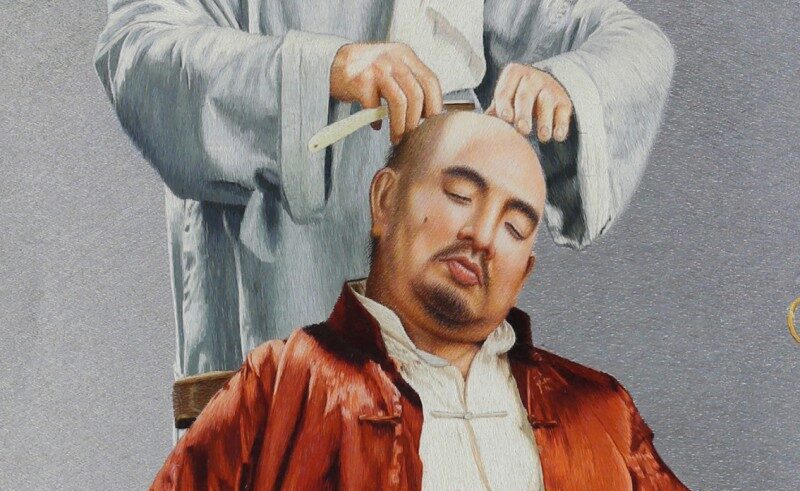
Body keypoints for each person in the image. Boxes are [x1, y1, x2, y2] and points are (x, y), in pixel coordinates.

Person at [95, 1, 675, 394]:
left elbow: (630, 43)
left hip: (437, 364)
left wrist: (568, 82)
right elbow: (137, 48)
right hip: (274, 326)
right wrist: (323, 68)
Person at [145, 112, 694, 491]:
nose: (482, 235)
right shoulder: (284, 383)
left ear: (523, 274)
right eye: (460, 196)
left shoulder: (599, 409)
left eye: (513, 226)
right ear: (385, 200)